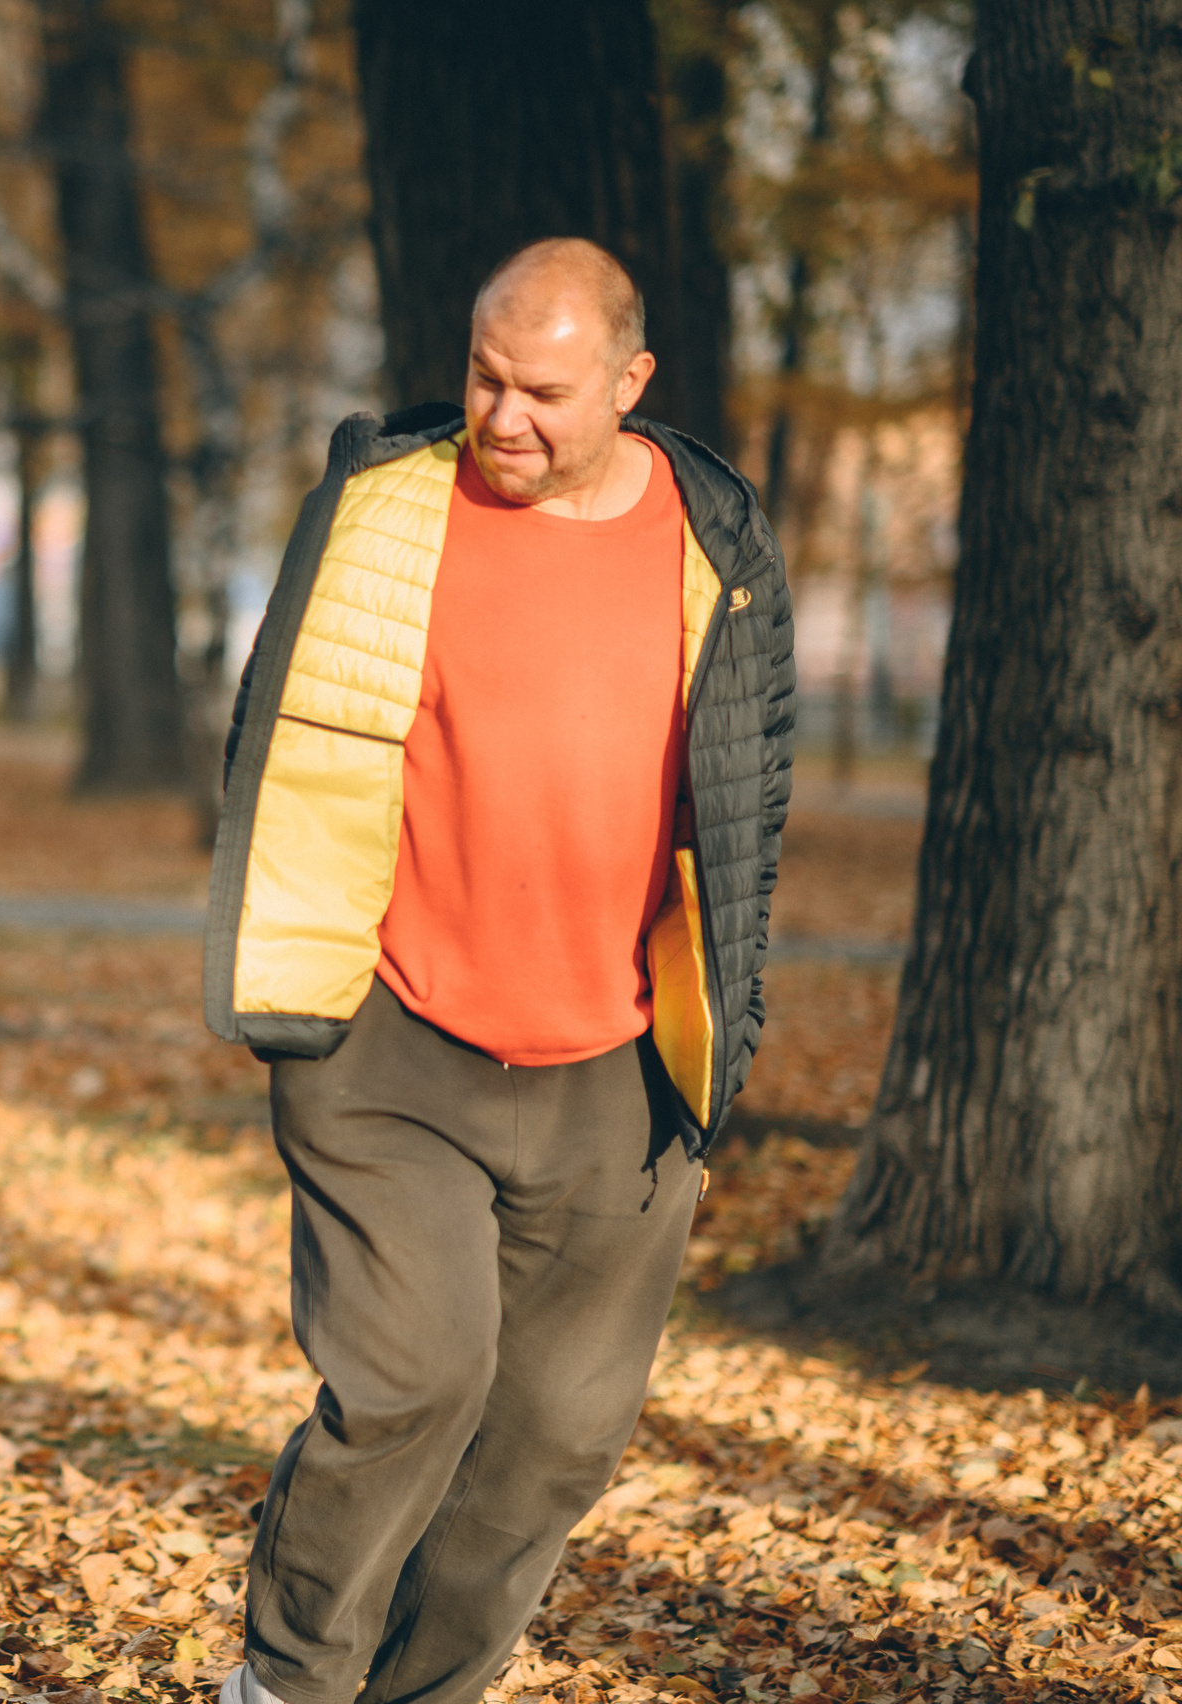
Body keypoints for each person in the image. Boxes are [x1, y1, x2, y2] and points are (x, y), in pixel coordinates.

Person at [202, 237, 795, 1704]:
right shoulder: (382, 513)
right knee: (414, 1379)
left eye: (545, 389)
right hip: (392, 1040)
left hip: (616, 1065)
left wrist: (726, 1016)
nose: (504, 415)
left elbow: (747, 792)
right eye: (485, 376)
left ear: (631, 384)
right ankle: (290, 1680)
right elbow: (274, 734)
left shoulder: (714, 539)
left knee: (554, 1441)